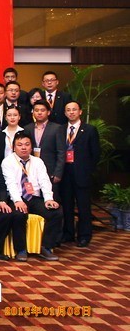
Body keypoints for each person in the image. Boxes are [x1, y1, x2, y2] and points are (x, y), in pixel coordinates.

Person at [2, 132, 63, 261]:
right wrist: (18, 201)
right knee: (18, 214)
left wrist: (48, 199)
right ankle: (21, 250)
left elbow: (44, 181)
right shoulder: (8, 162)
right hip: (17, 197)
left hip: (34, 197)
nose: (23, 147)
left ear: (31, 147)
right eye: (20, 145)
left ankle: (46, 247)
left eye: (27, 144)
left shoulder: (38, 161)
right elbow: (10, 183)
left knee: (56, 212)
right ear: (13, 147)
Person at [61, 101, 100, 247]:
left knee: (83, 206)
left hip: (82, 173)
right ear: (65, 113)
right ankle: (68, 233)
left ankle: (84, 235)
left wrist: (88, 171)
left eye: (74, 109)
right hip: (64, 172)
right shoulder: (61, 129)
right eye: (68, 110)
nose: (71, 112)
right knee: (67, 205)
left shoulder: (89, 130)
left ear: (80, 112)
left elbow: (95, 154)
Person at [24, 101, 65, 200]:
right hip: (32, 170)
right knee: (34, 200)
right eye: (36, 110)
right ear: (33, 112)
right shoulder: (27, 128)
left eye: (42, 110)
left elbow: (61, 152)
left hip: (50, 170)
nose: (39, 113)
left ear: (48, 112)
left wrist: (58, 173)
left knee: (51, 199)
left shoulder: (57, 128)